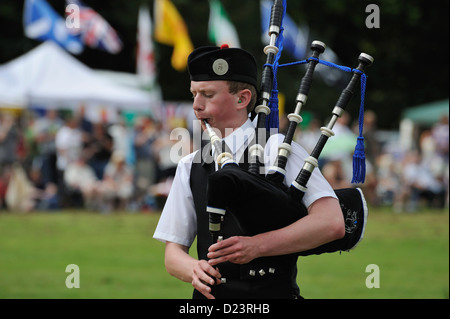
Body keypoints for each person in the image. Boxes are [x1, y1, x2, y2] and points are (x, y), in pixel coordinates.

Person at [153, 46, 344, 299]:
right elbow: (173, 253)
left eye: (207, 95)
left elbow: (331, 223)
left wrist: (257, 246)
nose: (196, 106)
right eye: (194, 95)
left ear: (242, 99)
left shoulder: (278, 150)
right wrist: (192, 269)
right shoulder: (190, 164)